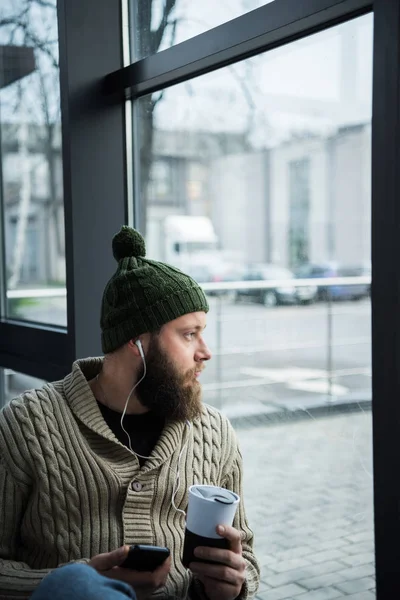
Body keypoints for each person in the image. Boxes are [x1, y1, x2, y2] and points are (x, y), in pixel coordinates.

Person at [0, 226, 260, 599]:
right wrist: (79, 581)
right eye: (189, 334)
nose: (205, 352)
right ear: (136, 341)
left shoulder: (214, 432)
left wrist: (234, 585)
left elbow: (246, 555)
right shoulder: (27, 425)